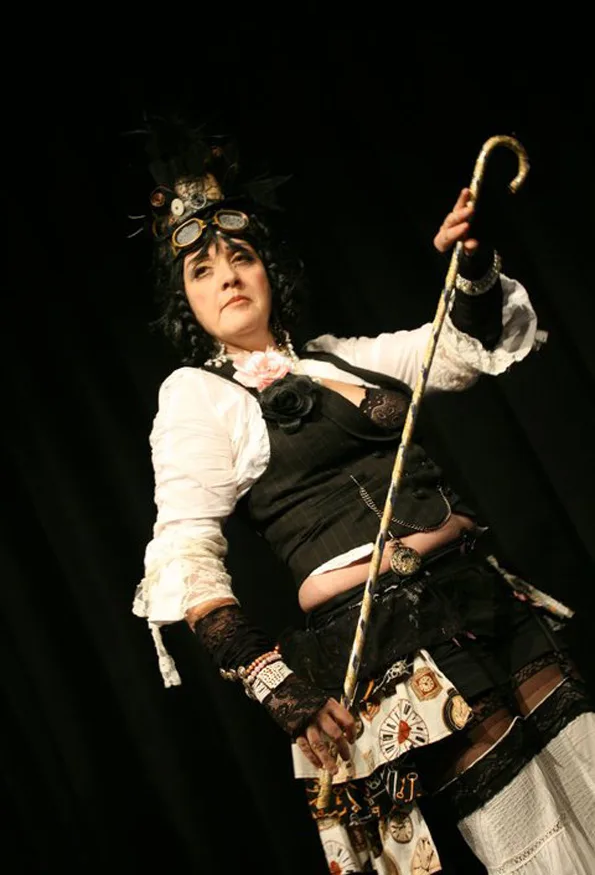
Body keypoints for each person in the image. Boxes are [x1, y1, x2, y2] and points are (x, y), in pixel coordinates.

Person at [132, 121, 595, 874]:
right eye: (202, 270)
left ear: (269, 271)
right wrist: (277, 687)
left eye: (241, 256)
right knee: (532, 838)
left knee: (590, 773)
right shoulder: (197, 396)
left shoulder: (340, 359)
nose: (228, 277)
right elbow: (186, 556)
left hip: (478, 599)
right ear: (186, 300)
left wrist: (472, 268)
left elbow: (460, 347)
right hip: (385, 638)